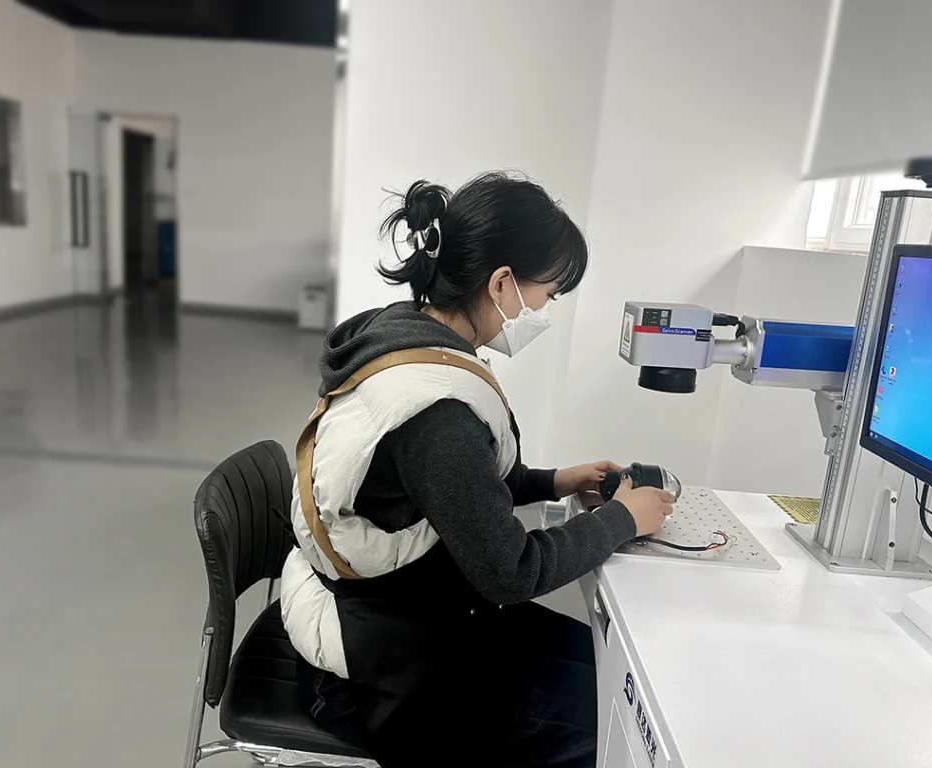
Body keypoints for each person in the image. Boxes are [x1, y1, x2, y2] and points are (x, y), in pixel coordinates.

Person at [280, 172, 674, 768]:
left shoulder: (402, 332)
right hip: (388, 666)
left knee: (602, 665)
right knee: (617, 726)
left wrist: (557, 481)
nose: (546, 308)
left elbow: (455, 493)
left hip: (407, 605)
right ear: (502, 283)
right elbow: (511, 572)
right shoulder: (435, 411)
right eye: (549, 292)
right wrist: (623, 519)